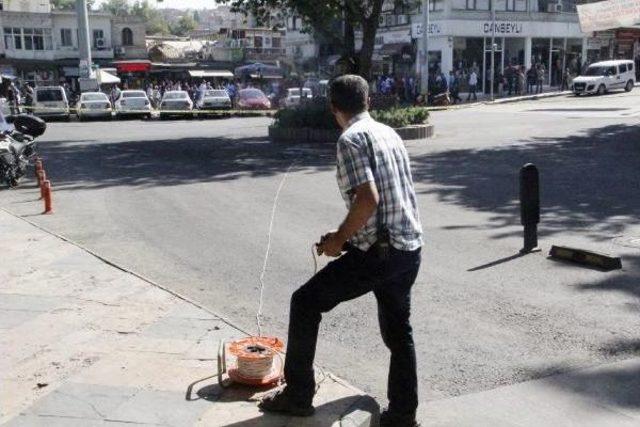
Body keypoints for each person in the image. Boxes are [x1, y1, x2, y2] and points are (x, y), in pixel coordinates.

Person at [259, 75, 423, 427]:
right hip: (408, 249)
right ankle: (403, 415)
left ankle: (298, 395)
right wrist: (344, 237)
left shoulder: (350, 140)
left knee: (304, 303)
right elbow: (390, 203)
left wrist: (338, 241)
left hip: (380, 253)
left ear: (334, 108)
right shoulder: (389, 133)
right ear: (369, 102)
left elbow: (368, 200)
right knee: (398, 332)